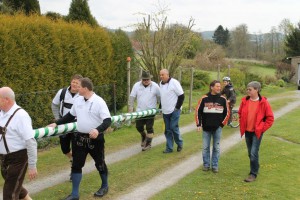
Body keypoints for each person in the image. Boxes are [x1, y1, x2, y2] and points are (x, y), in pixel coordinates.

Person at [48, 78, 111, 200]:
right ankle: (75, 194)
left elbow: (107, 120)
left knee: (100, 163)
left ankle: (104, 186)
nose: (76, 88)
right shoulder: (78, 100)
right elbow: (70, 115)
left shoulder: (99, 101)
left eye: (79, 87)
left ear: (85, 88)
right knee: (76, 165)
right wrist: (57, 123)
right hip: (79, 139)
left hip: (95, 140)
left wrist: (97, 130)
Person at [0, 87, 38, 200]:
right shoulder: (1, 114)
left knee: (9, 194)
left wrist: (32, 165)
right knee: (16, 186)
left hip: (18, 158)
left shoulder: (21, 116)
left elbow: (31, 141)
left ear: (6, 99)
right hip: (3, 158)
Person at [238, 81, 274, 182]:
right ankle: (256, 166)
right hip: (247, 131)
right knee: (250, 153)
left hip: (257, 132)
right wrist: (242, 123)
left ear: (256, 90)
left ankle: (253, 174)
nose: (247, 91)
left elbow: (270, 118)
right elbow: (240, 113)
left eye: (250, 89)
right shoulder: (244, 101)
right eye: (247, 89)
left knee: (253, 153)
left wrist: (262, 128)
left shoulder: (264, 103)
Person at [52, 74, 82, 180]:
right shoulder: (62, 92)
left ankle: (74, 171)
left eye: (77, 83)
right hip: (63, 125)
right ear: (71, 82)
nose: (74, 84)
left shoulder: (82, 95)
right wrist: (57, 119)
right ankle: (73, 159)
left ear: (80, 85)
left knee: (76, 148)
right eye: (73, 82)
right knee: (64, 149)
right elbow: (54, 104)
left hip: (76, 125)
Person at [195, 80, 230, 173]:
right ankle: (206, 165)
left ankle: (215, 165)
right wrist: (199, 124)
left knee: (216, 147)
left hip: (217, 128)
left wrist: (222, 124)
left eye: (220, 86)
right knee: (205, 147)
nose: (219, 88)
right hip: (206, 128)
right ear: (211, 87)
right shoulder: (204, 98)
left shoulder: (223, 99)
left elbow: (227, 113)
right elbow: (198, 111)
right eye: (217, 86)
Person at [129, 70, 160, 151]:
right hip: (140, 111)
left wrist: (160, 106)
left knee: (149, 127)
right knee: (138, 127)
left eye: (147, 79)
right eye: (144, 80)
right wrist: (131, 107)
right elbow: (132, 97)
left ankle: (148, 144)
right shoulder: (136, 85)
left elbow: (160, 96)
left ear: (150, 79)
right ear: (141, 79)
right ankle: (143, 136)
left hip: (151, 111)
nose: (146, 81)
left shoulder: (155, 86)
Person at [159, 69, 184, 153]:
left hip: (174, 110)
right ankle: (169, 148)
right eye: (160, 75)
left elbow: (181, 96)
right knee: (167, 130)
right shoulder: (160, 84)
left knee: (173, 127)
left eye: (163, 75)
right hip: (165, 111)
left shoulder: (174, 82)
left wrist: (177, 107)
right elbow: (163, 97)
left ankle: (179, 143)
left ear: (167, 74)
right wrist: (160, 108)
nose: (161, 76)